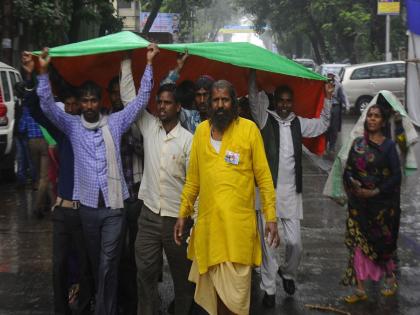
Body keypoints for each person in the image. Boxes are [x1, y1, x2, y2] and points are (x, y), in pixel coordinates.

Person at [36, 44, 158, 315]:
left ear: (100, 101)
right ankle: (105, 306)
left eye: (93, 100)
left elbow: (140, 101)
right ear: (80, 104)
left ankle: (106, 310)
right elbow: (46, 105)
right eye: (85, 101)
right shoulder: (71, 125)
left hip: (115, 208)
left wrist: (148, 64)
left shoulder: (114, 122)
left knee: (108, 263)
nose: (89, 105)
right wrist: (43, 73)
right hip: (88, 209)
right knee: (96, 264)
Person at [174, 80, 280, 315]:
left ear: (233, 102)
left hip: (237, 236)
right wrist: (183, 213)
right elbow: (193, 180)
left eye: (225, 99)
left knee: (234, 305)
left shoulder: (249, 130)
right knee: (211, 305)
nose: (220, 105)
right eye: (216, 100)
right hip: (209, 234)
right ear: (209, 104)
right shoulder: (201, 132)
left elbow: (264, 178)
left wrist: (271, 218)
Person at [248, 69, 333, 307]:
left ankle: (287, 273)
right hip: (266, 194)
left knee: (295, 243)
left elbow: (323, 124)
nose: (284, 105)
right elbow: (254, 100)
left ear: (292, 102)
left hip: (291, 195)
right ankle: (269, 290)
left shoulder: (298, 124)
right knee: (268, 246)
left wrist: (328, 97)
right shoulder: (265, 119)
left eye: (288, 101)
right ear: (275, 102)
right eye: (281, 101)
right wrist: (252, 72)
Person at [22, 49, 93, 315]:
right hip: (63, 211)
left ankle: (85, 306)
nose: (75, 109)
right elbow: (37, 110)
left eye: (80, 104)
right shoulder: (62, 132)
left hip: (87, 210)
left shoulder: (97, 131)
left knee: (86, 264)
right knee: (60, 265)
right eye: (71, 104)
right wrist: (33, 77)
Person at [342, 104, 401, 303]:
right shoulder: (358, 144)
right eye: (369, 116)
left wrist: (374, 191)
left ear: (383, 121)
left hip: (381, 209)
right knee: (358, 246)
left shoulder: (389, 147)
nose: (372, 119)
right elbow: (349, 169)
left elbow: (396, 176)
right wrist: (354, 184)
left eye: (376, 116)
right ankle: (360, 289)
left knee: (381, 247)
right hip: (359, 207)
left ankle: (390, 279)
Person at [108, 72, 143, 315]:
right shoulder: (105, 121)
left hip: (136, 195)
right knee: (116, 252)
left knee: (137, 253)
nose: (118, 96)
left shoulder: (136, 120)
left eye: (121, 91)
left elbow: (145, 149)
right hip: (114, 199)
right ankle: (122, 299)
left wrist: (130, 132)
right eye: (113, 92)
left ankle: (136, 300)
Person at [326, 72, 349, 154]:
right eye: (328, 75)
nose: (330, 77)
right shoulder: (323, 83)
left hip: (335, 107)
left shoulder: (338, 85)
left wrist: (347, 105)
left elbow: (343, 96)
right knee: (325, 127)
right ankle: (324, 145)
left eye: (331, 75)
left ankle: (332, 146)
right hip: (326, 107)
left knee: (334, 128)